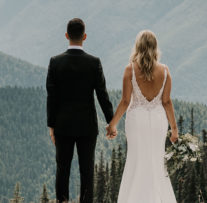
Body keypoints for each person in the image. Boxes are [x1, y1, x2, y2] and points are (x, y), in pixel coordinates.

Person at [46, 18, 115, 203]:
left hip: (63, 125)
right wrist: (111, 122)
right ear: (84, 37)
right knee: (87, 171)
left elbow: (51, 97)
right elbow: (102, 95)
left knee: (63, 169)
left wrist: (51, 125)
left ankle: (62, 201)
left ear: (67, 36)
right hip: (87, 126)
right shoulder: (94, 63)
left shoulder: (55, 62)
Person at [105, 30, 178, 203]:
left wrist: (112, 125)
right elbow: (167, 102)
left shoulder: (130, 69)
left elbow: (125, 101)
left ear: (138, 46)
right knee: (156, 161)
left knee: (136, 160)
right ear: (155, 48)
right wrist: (174, 129)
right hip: (159, 121)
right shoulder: (165, 71)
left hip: (136, 120)